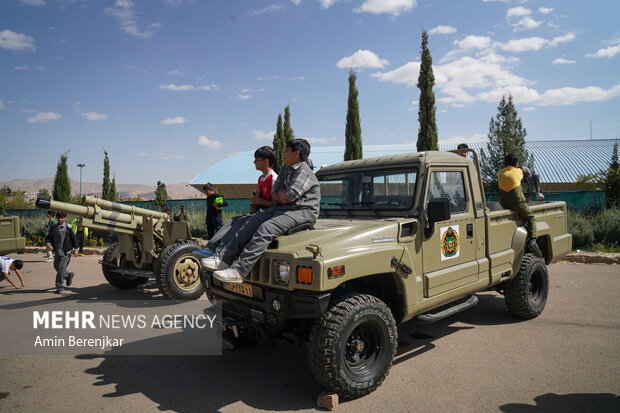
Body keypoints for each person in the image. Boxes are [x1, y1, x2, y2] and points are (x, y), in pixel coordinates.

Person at [202, 139, 320, 283]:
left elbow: (289, 196)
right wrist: (280, 196)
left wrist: (280, 196)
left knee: (267, 227)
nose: (284, 154)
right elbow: (275, 193)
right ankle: (223, 259)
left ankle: (239, 270)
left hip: (302, 211)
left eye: (287, 151)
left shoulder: (304, 172)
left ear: (297, 153)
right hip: (284, 207)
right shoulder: (286, 170)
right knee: (251, 221)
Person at [195, 146, 278, 257]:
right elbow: (261, 201)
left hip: (267, 216)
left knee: (240, 225)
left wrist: (258, 201)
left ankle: (222, 253)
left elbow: (276, 205)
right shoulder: (261, 178)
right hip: (259, 213)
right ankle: (211, 247)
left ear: (265, 161)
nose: (254, 162)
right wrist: (256, 205)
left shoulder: (274, 179)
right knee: (232, 221)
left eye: (257, 159)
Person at [498, 153, 542, 257]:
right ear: (516, 164)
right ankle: (533, 241)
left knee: (518, 217)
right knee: (531, 218)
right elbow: (526, 176)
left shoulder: (500, 172)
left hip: (504, 203)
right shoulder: (518, 171)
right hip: (517, 202)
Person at [46, 211, 78, 293]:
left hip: (66, 252)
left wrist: (76, 249)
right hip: (57, 251)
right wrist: (49, 244)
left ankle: (59, 286)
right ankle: (68, 275)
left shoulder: (68, 227)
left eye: (62, 218)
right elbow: (48, 237)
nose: (60, 219)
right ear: (56, 218)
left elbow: (74, 238)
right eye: (59, 218)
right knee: (56, 267)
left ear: (65, 218)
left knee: (61, 268)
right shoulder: (54, 227)